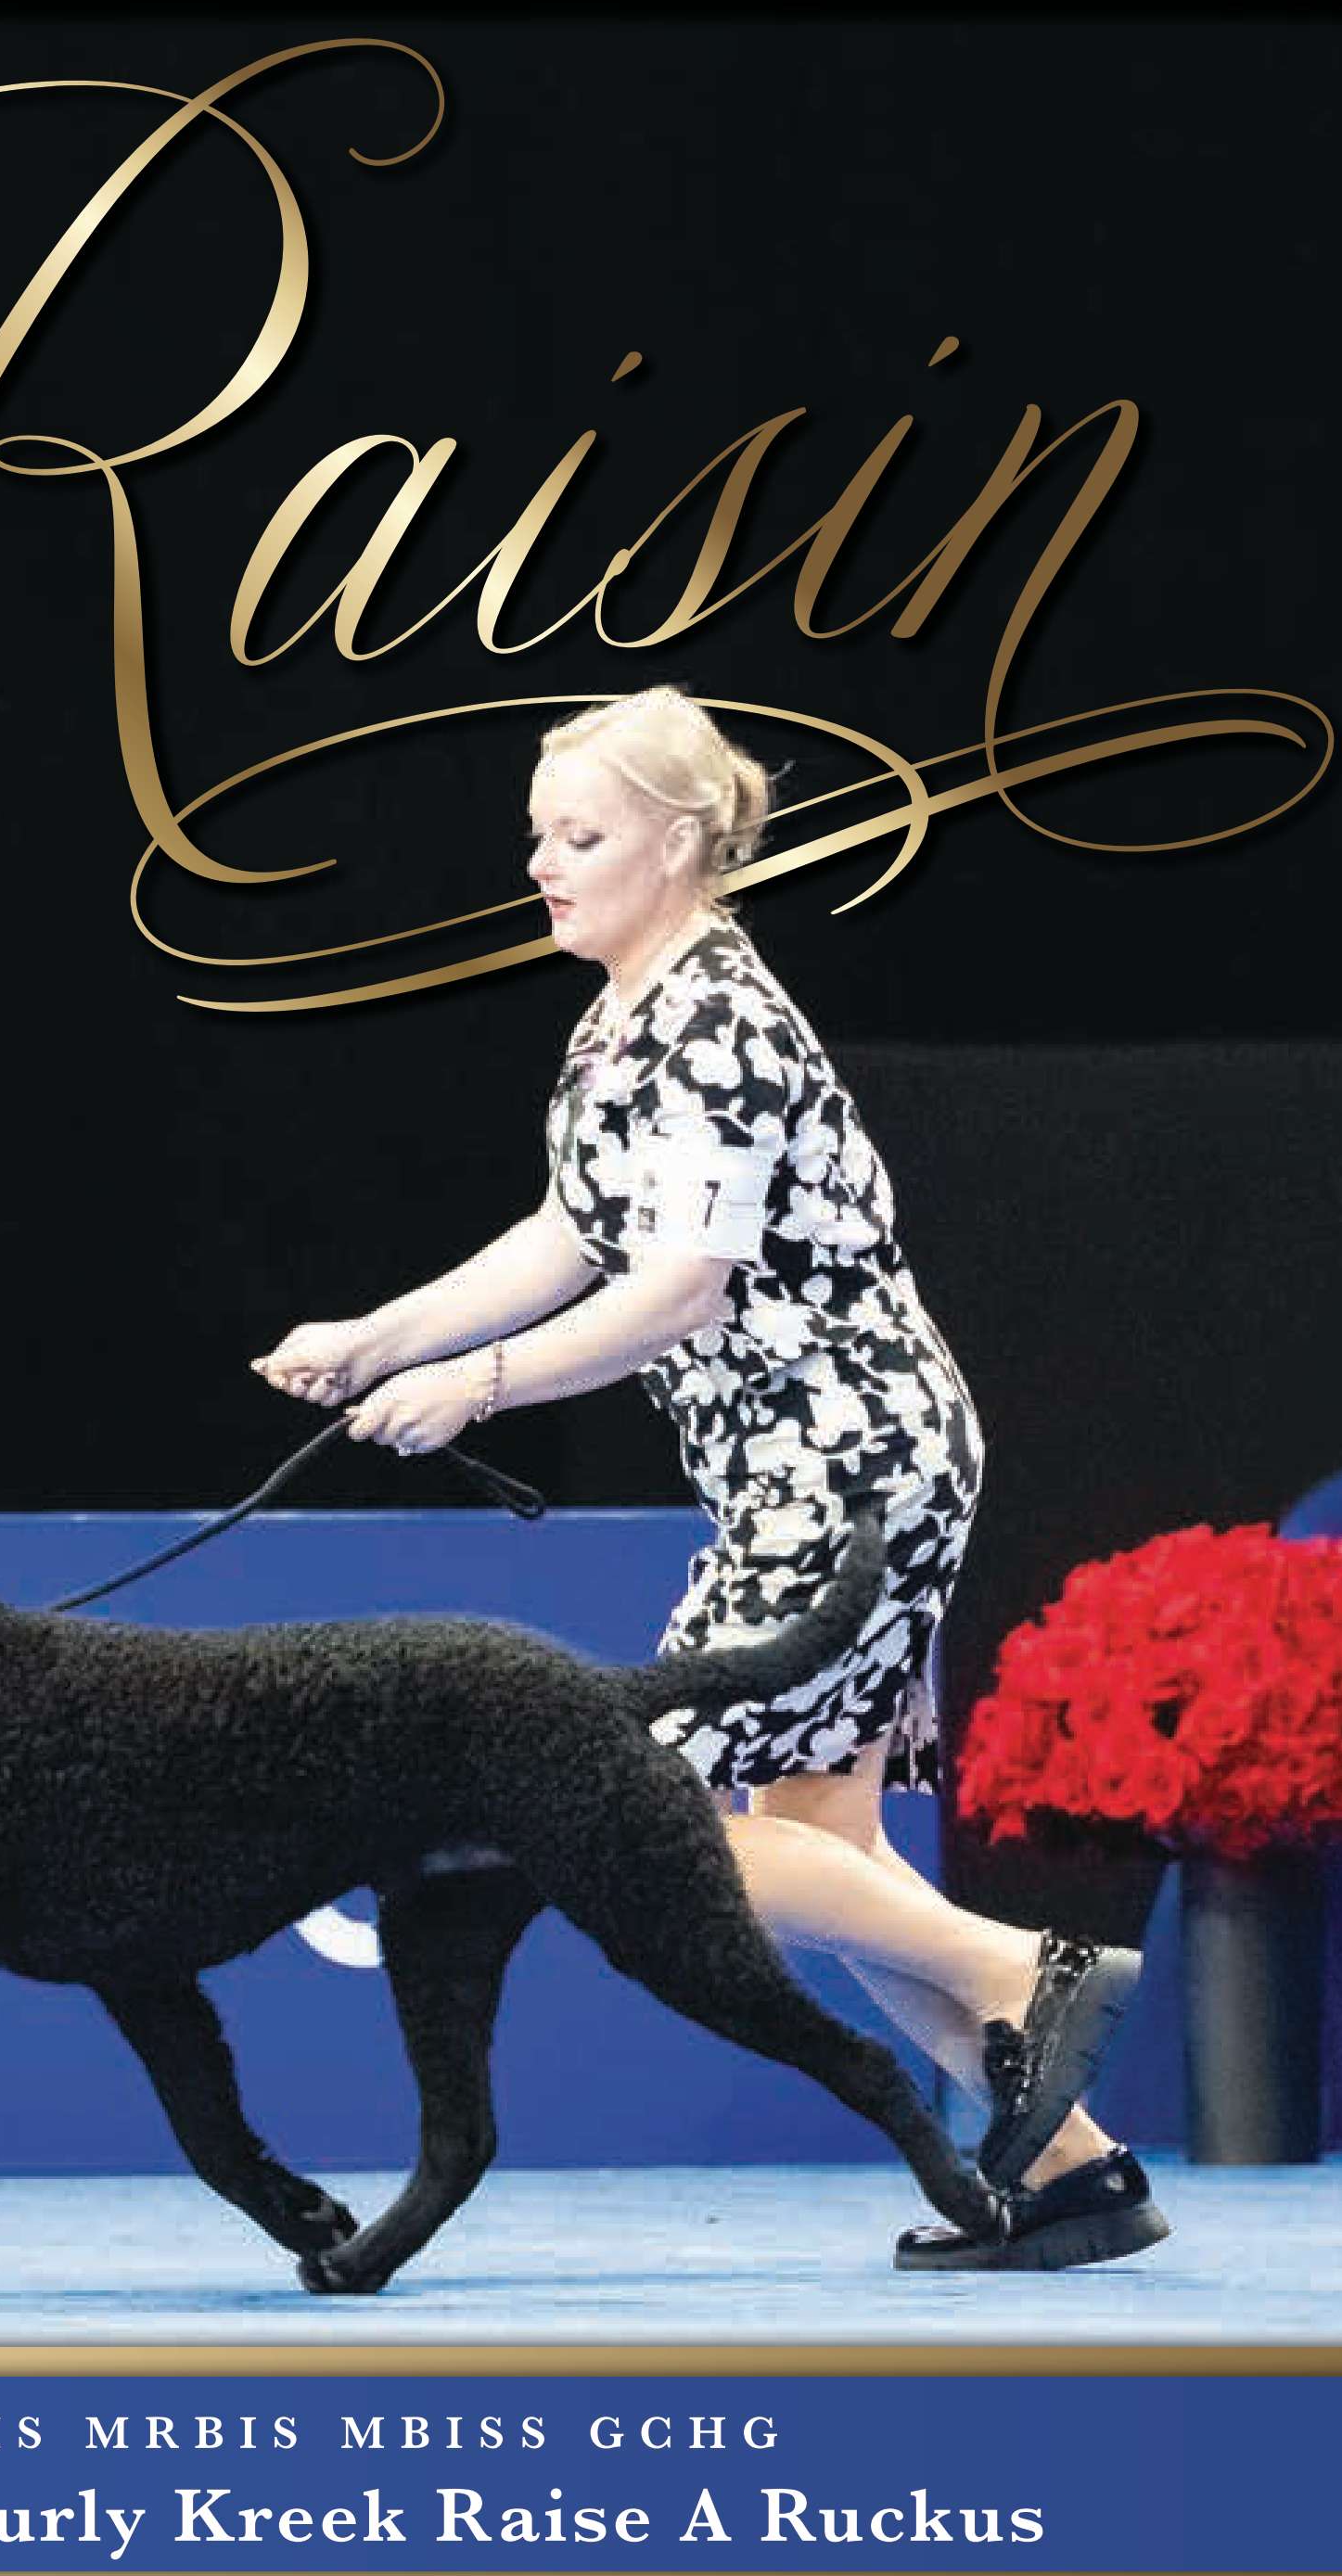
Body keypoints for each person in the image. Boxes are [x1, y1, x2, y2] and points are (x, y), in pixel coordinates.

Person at [255, 687, 1164, 2271]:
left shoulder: (715, 1022)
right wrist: (379, 1335)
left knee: (641, 1819)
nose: (542, 864)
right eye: (539, 834)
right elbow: (568, 1234)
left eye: (580, 835)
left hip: (846, 1460)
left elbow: (677, 1285)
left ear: (679, 842)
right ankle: (1081, 2174)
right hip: (814, 1464)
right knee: (825, 1843)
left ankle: (1028, 1969)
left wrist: (475, 1385)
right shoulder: (625, 1015)